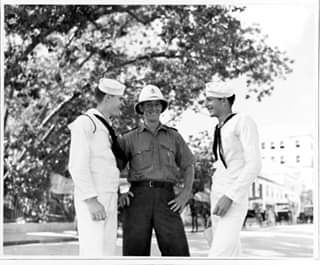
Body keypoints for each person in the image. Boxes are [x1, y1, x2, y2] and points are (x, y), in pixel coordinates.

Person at [118, 84, 195, 256]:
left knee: (178, 253)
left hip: (167, 199)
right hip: (138, 198)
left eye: (156, 104)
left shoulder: (174, 136)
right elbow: (115, 168)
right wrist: (120, 193)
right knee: (134, 254)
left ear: (161, 108)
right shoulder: (128, 138)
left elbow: (188, 165)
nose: (153, 108)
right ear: (141, 108)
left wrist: (185, 193)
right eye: (148, 104)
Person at [204, 78, 262, 257]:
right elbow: (223, 165)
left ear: (223, 100)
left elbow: (254, 164)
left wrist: (230, 196)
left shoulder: (242, 121)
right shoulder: (218, 127)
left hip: (233, 197)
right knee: (232, 254)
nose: (206, 104)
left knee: (218, 255)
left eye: (210, 100)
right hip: (218, 196)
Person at [68, 78, 125, 256]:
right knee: (93, 251)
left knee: (107, 251)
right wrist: (91, 201)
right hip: (94, 198)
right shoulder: (86, 123)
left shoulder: (104, 126)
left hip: (107, 197)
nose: (121, 104)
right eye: (119, 99)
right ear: (108, 98)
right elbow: (77, 166)